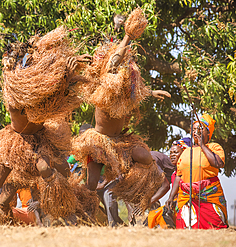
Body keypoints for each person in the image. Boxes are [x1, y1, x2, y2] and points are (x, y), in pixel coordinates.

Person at [0, 27, 97, 224]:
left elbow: (50, 86)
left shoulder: (38, 81)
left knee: (50, 169)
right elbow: (40, 100)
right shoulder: (15, 90)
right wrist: (66, 74)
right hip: (14, 144)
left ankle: (62, 210)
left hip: (41, 139)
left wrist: (73, 66)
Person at [73, 8, 171, 211]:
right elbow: (113, 63)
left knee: (145, 157)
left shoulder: (128, 90)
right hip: (100, 142)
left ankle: (137, 193)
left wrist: (152, 93)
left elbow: (138, 90)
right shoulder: (105, 83)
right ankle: (83, 211)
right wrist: (127, 36)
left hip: (121, 142)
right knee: (91, 183)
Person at [165, 114, 228, 229]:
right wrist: (170, 197)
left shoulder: (214, 147)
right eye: (194, 129)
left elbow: (218, 163)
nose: (196, 132)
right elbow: (179, 176)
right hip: (187, 197)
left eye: (200, 129)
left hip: (209, 196)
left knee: (214, 227)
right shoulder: (185, 152)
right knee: (185, 227)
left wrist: (202, 145)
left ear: (208, 133)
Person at [144, 138, 191, 229]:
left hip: (187, 206)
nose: (172, 155)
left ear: (185, 153)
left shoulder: (189, 171)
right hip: (177, 205)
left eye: (176, 152)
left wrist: (148, 202)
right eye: (171, 153)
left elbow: (166, 186)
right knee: (150, 219)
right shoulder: (175, 173)